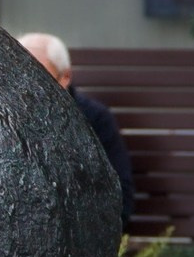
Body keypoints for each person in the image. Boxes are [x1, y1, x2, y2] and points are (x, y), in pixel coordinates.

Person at [18, 31, 135, 236]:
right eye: (19, 73)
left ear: (65, 77)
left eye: (39, 75)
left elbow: (119, 193)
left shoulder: (95, 119)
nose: (28, 85)